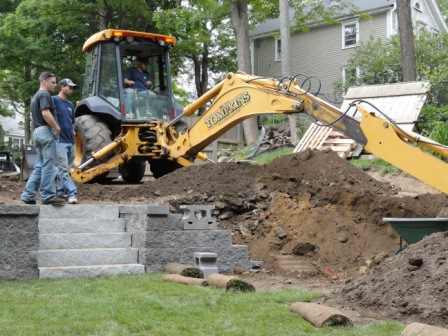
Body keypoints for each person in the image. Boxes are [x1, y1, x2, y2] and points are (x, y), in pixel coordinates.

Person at [21, 72, 65, 205]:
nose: (55, 85)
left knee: (40, 166)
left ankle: (28, 195)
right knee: (49, 165)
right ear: (44, 82)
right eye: (53, 82)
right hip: (45, 132)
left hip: (36, 132)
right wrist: (57, 127)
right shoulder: (45, 94)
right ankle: (48, 196)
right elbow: (45, 113)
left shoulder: (35, 96)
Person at [53, 78, 78, 204]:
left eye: (73, 88)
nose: (71, 89)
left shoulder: (70, 104)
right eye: (70, 87)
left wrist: (73, 131)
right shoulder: (54, 101)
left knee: (65, 169)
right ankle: (72, 193)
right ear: (62, 87)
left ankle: (60, 191)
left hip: (70, 141)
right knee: (63, 168)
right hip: (59, 140)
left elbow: (72, 121)